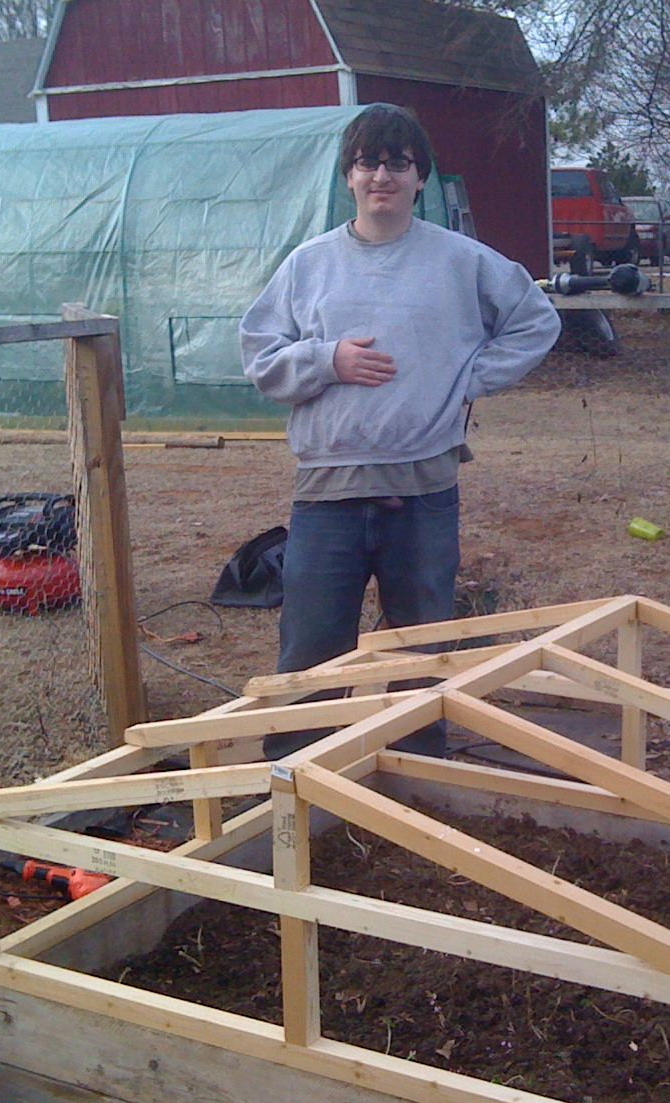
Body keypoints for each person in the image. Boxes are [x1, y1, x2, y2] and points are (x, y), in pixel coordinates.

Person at [240, 103, 560, 757]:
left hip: (423, 491)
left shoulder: (460, 262)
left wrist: (467, 377)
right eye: (367, 163)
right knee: (311, 649)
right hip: (329, 493)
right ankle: (299, 775)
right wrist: (328, 360)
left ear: (420, 179)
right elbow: (261, 358)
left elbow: (535, 320)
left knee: (419, 645)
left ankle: (418, 773)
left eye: (398, 163)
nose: (381, 175)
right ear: (349, 177)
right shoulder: (309, 265)